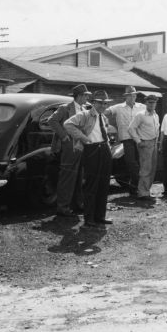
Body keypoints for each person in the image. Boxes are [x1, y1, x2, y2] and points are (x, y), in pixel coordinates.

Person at [64, 90, 114, 230]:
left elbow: (104, 133)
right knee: (91, 185)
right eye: (100, 103)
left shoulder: (103, 117)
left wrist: (109, 147)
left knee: (104, 185)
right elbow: (68, 124)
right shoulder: (85, 115)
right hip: (92, 150)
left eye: (105, 103)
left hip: (104, 150)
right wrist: (83, 138)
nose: (103, 106)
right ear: (93, 103)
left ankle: (100, 217)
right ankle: (89, 218)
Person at [48, 83, 91, 217]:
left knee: (79, 176)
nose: (87, 98)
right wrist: (64, 136)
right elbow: (52, 121)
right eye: (85, 95)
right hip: (69, 147)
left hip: (81, 146)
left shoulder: (85, 109)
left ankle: (78, 205)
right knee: (67, 176)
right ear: (79, 96)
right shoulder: (65, 108)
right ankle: (62, 207)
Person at [104, 85, 145, 196]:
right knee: (132, 163)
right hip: (127, 140)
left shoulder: (142, 107)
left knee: (141, 163)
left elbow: (151, 116)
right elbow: (104, 112)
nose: (132, 97)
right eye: (129, 95)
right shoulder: (118, 107)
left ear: (136, 96)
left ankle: (135, 188)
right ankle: (135, 186)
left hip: (140, 139)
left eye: (133, 95)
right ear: (125, 96)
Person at [128, 94, 160, 199]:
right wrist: (138, 141)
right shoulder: (140, 115)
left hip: (154, 143)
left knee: (153, 168)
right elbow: (131, 128)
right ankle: (142, 193)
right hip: (145, 144)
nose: (152, 104)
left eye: (154, 102)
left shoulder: (156, 115)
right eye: (150, 102)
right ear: (146, 103)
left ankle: (147, 190)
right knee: (146, 169)